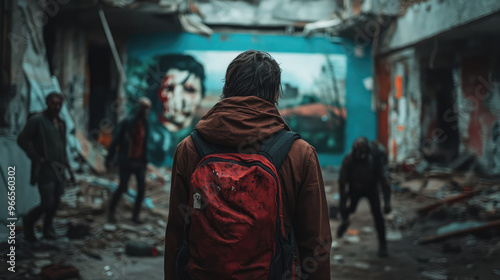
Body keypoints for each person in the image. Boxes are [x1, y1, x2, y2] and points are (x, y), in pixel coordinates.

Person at [164, 50, 331, 279]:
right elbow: (315, 244)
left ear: (227, 89)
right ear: (274, 93)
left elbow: (176, 233)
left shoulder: (189, 149)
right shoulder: (300, 155)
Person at [18, 92, 75, 242]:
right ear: (47, 103)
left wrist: (69, 169)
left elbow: (63, 148)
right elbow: (22, 140)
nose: (56, 107)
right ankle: (28, 222)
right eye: (53, 103)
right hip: (45, 168)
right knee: (47, 202)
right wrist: (37, 158)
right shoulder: (37, 120)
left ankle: (47, 229)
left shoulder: (61, 123)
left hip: (59, 168)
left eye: (59, 104)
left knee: (56, 202)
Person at [146, 54, 206, 166]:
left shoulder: (206, 139)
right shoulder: (141, 131)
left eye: (189, 90)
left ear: (201, 96)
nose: (178, 100)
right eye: (169, 88)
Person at [337, 137, 392, 257]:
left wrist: (387, 202)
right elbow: (342, 183)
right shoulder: (349, 160)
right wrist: (342, 208)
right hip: (355, 188)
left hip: (371, 188)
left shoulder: (376, 156)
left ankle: (383, 245)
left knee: (378, 215)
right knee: (349, 209)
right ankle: (345, 221)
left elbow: (385, 180)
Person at [106, 97, 151, 224]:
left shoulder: (145, 123)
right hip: (127, 161)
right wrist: (109, 158)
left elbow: (145, 142)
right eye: (144, 107)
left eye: (148, 108)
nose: (146, 111)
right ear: (139, 108)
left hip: (140, 162)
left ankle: (135, 216)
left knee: (141, 189)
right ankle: (111, 211)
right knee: (122, 187)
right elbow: (116, 141)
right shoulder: (127, 122)